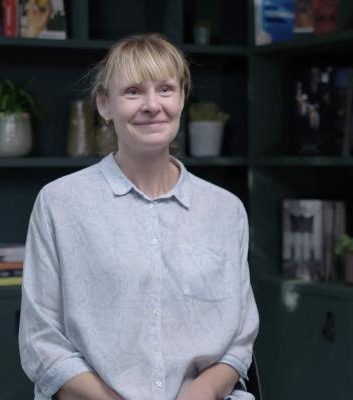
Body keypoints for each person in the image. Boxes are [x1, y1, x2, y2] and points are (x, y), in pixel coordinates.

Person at [19, 33, 259, 400]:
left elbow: (240, 336)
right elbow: (41, 343)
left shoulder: (225, 210)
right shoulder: (59, 203)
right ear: (104, 104)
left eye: (165, 89)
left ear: (181, 99)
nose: (152, 105)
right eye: (133, 91)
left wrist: (203, 393)